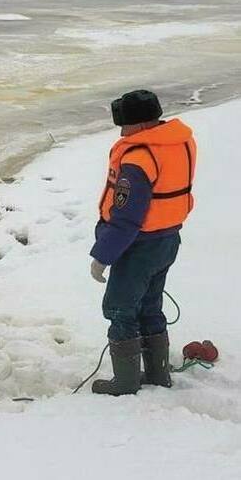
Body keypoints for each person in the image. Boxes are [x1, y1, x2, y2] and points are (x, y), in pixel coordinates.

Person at [90, 89, 197, 396]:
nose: (121, 132)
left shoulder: (139, 157)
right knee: (150, 305)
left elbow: (127, 217)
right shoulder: (179, 142)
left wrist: (103, 256)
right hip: (168, 239)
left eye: (123, 126)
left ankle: (124, 383)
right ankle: (157, 374)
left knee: (121, 308)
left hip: (137, 245)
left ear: (138, 126)